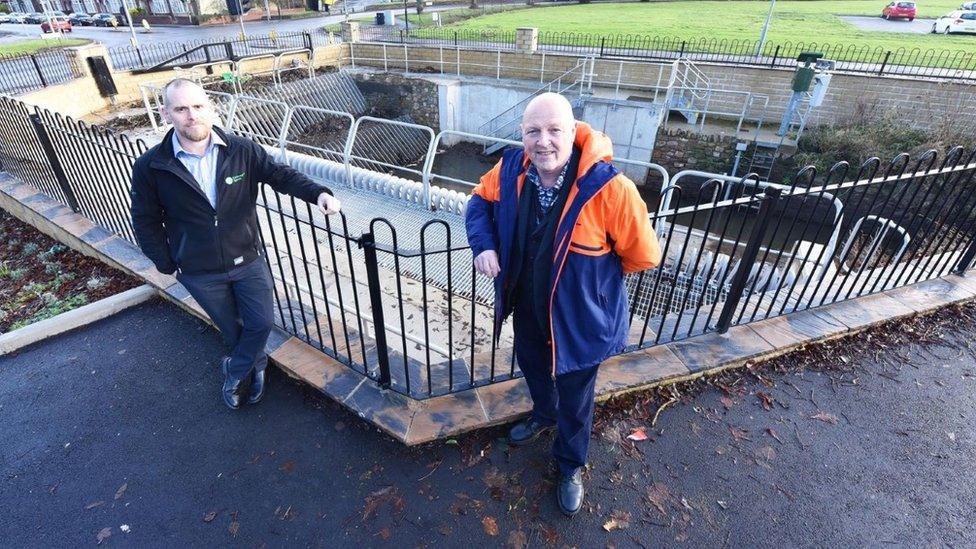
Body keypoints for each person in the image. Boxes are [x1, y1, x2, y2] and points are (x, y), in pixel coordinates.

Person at [465, 92, 661, 516]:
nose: (544, 141)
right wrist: (483, 244)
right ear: (522, 135)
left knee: (576, 396)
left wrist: (595, 285)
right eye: (533, 131)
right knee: (533, 364)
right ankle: (542, 414)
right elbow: (478, 201)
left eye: (555, 130)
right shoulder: (512, 168)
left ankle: (570, 464)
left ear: (573, 133)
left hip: (580, 321)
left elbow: (643, 254)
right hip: (529, 308)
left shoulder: (611, 189)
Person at [130, 78, 341, 410]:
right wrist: (167, 263)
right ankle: (255, 368)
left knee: (260, 323)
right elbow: (144, 219)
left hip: (247, 259)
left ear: (210, 108)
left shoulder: (242, 151)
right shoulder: (152, 166)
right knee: (232, 329)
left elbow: (281, 175)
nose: (191, 116)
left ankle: (235, 370)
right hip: (198, 270)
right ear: (166, 114)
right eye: (181, 109)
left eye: (198, 106)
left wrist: (318, 194)